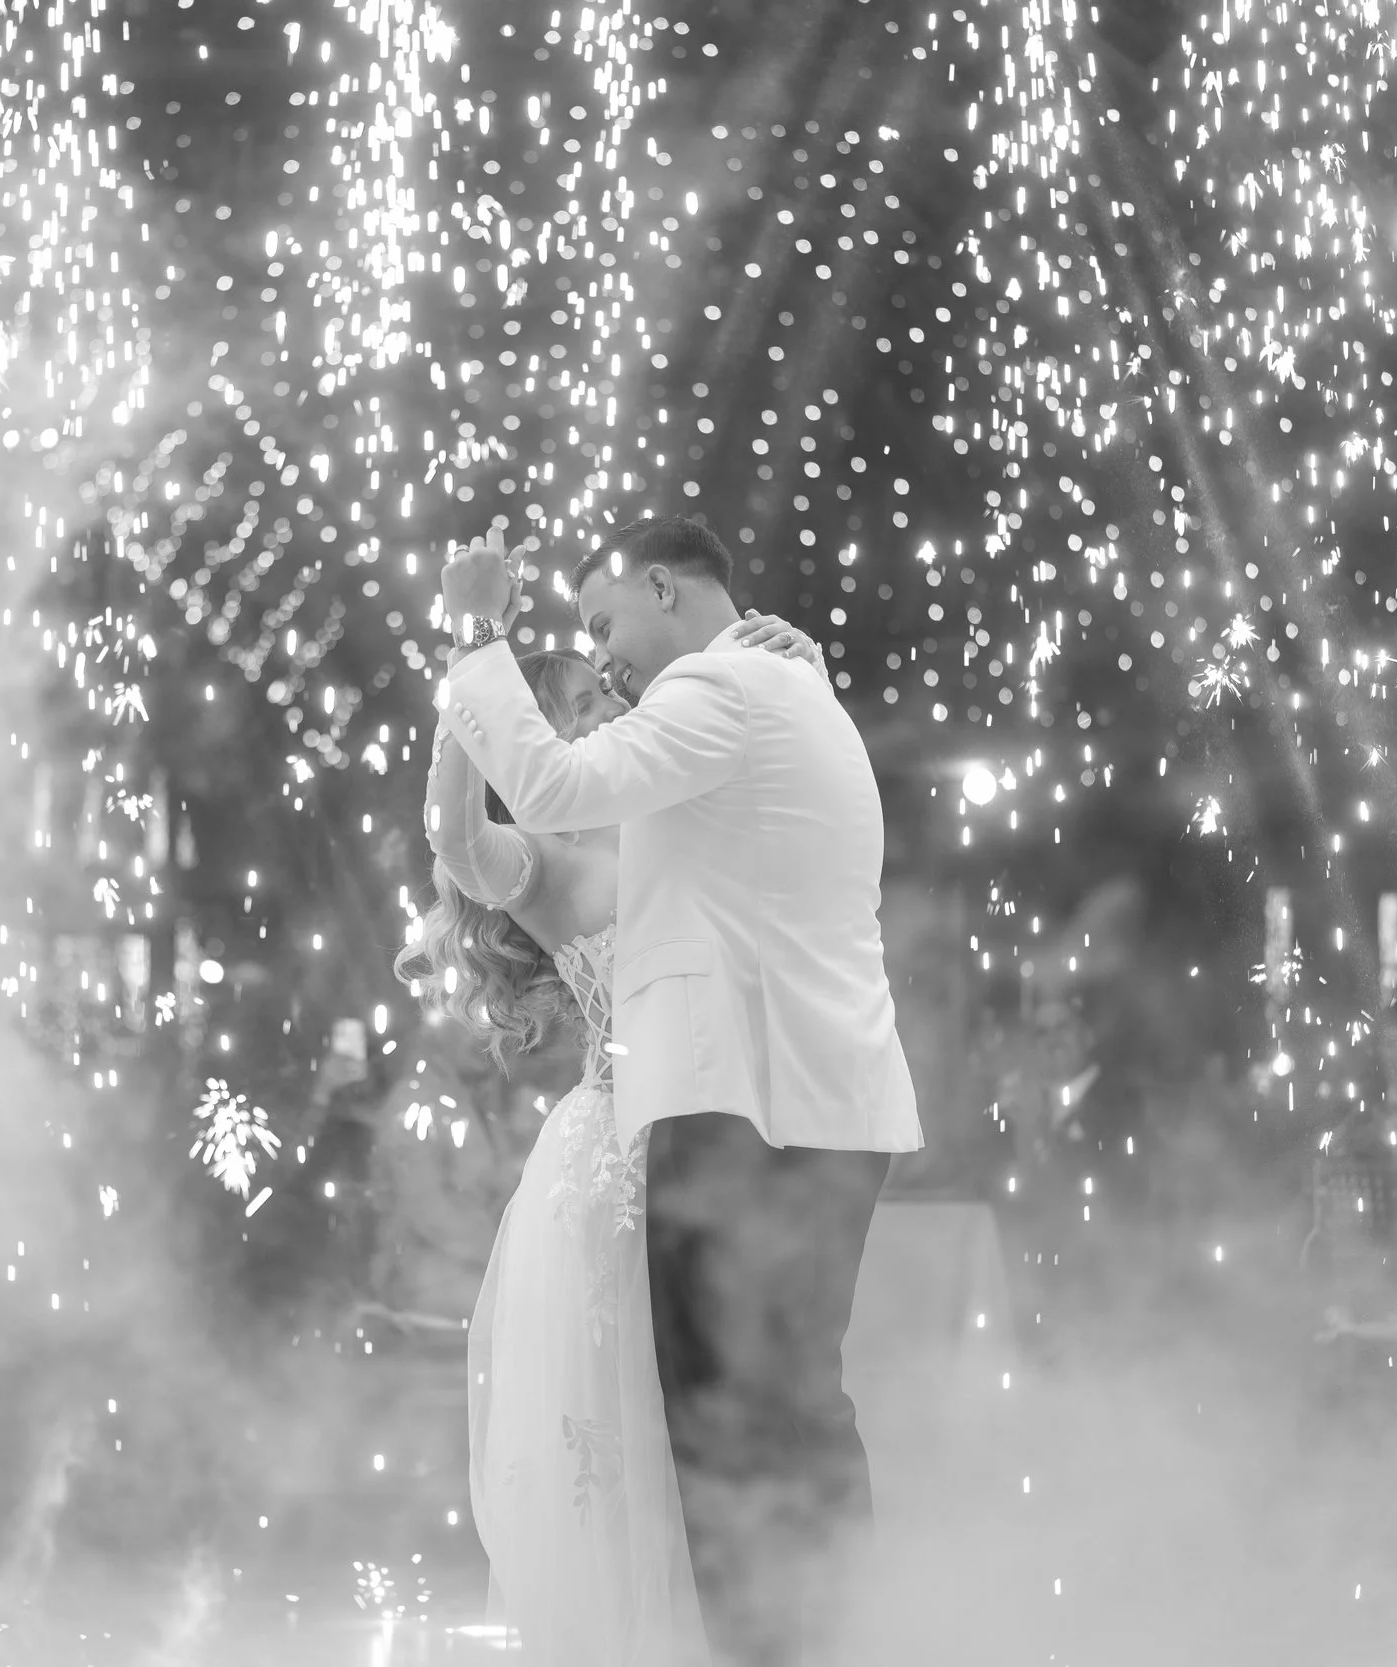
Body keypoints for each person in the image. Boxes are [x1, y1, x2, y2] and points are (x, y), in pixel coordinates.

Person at [435, 514, 925, 1667]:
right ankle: (826, 1638)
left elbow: (548, 781)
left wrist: (474, 629)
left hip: (741, 1107)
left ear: (664, 584)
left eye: (604, 620)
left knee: (721, 1425)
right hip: (818, 1101)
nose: (599, 657)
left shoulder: (723, 688)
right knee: (792, 1411)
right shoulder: (786, 689)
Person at [398, 604, 824, 1665]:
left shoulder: (667, 804)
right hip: (614, 1156)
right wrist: (470, 671)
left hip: (714, 1125)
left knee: (707, 1408)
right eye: (584, 703)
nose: (612, 705)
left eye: (605, 694)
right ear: (530, 732)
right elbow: (449, 835)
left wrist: (801, 675)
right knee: (617, 1412)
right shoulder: (533, 862)